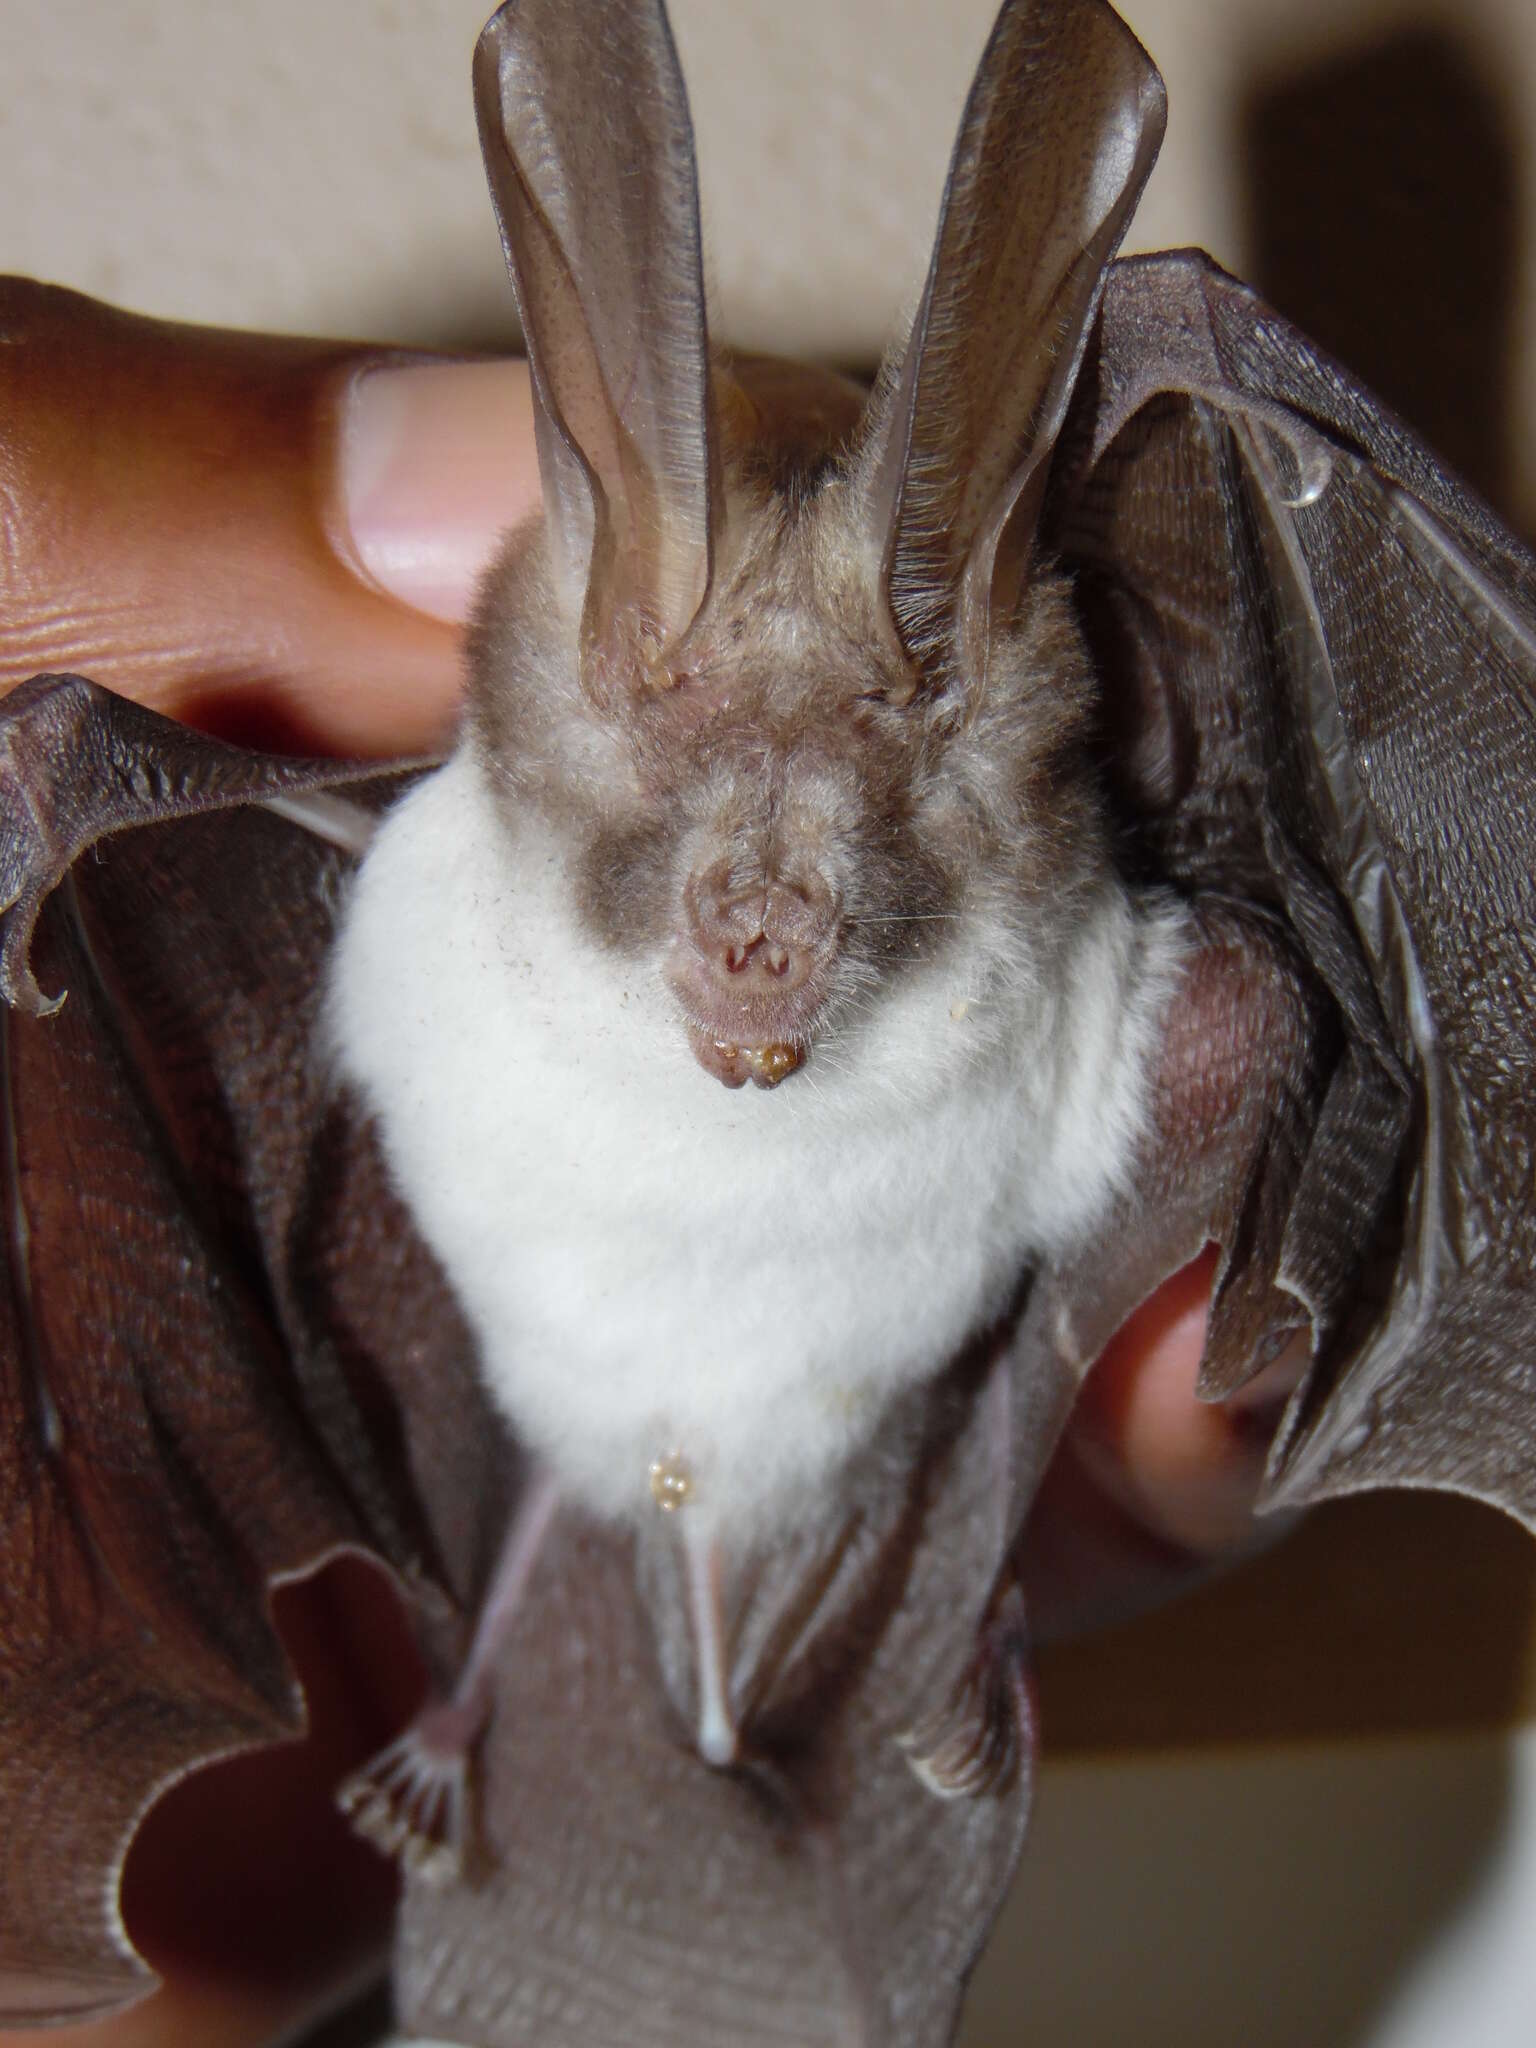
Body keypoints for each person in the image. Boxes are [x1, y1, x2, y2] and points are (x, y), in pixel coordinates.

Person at [0, 280, 1291, 2048]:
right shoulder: (454, 884)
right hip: (532, 1381)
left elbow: (1085, 1183)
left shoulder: (1045, 967)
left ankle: (790, 1654)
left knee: (1189, 1128)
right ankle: (566, 1702)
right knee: (590, 1481)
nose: (756, 940)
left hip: (877, 1389)